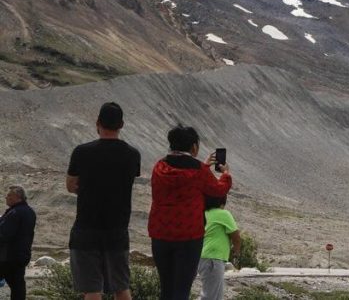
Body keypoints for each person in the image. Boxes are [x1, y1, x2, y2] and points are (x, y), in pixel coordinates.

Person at [66, 102, 142, 300]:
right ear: (122, 124)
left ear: (97, 123)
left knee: (91, 289)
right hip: (117, 228)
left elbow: (71, 185)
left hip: (86, 226)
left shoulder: (81, 152)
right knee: (121, 286)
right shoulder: (133, 154)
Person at [148, 125, 232, 300]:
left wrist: (203, 166)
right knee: (182, 289)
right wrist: (226, 174)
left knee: (167, 288)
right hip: (188, 237)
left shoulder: (159, 166)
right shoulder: (198, 171)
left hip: (160, 235)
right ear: (194, 147)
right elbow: (218, 190)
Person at [197, 196, 241, 300]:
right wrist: (236, 252)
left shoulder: (204, 214)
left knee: (215, 295)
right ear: (222, 203)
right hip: (213, 258)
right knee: (210, 296)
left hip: (205, 257)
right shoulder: (223, 214)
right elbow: (236, 236)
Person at [0, 185, 36, 300]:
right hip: (21, 255)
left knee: (16, 285)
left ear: (17, 197)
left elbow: (4, 234)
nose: (6, 197)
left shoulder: (14, 213)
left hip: (8, 256)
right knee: (18, 286)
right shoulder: (30, 212)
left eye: (9, 195)